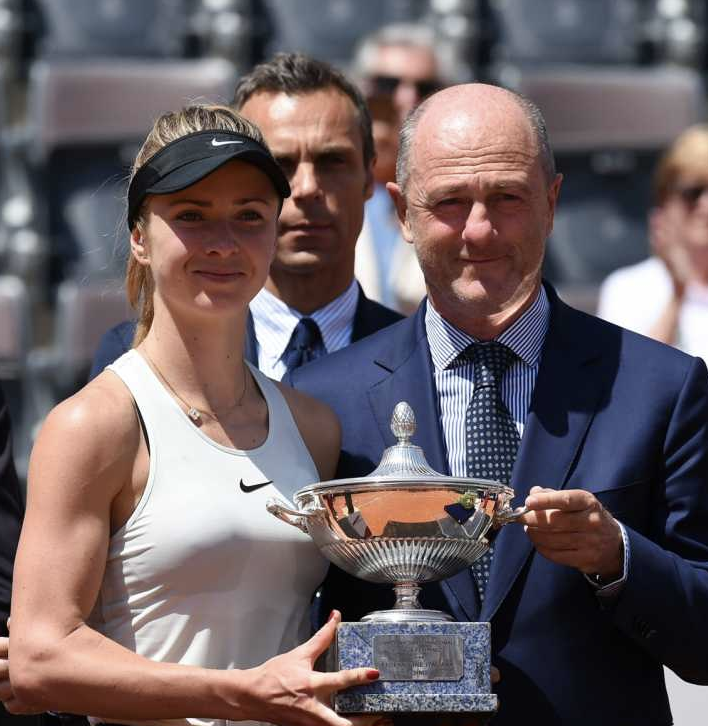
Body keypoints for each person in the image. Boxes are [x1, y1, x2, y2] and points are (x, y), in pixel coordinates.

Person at [286, 83, 708, 725]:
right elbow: (289, 620)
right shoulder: (321, 399)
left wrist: (617, 556)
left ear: (552, 202)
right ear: (402, 212)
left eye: (507, 198)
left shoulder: (661, 388)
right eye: (450, 202)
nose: (479, 230)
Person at [6, 104, 378, 726]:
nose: (223, 243)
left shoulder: (314, 427)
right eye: (191, 216)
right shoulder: (92, 426)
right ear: (139, 237)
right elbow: (40, 657)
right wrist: (241, 692)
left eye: (249, 216)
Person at [89, 53, 402, 381]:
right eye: (280, 165)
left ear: (370, 178)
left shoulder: (421, 359)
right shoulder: (133, 360)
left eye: (332, 161)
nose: (308, 187)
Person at [351, 23, 448, 314]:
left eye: (424, 88)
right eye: (387, 85)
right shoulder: (324, 183)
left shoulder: (459, 192)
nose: (406, 98)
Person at [597, 124, 708, 361]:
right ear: (664, 202)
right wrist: (677, 295)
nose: (706, 205)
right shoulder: (628, 289)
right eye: (693, 192)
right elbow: (630, 376)